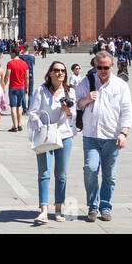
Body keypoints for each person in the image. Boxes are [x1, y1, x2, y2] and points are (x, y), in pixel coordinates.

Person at [73, 50, 132, 222]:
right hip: (91, 135)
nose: (103, 71)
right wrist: (86, 99)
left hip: (111, 136)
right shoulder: (86, 82)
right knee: (90, 170)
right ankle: (93, 206)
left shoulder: (120, 85)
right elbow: (76, 104)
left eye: (106, 67)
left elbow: (127, 112)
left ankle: (105, 207)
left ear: (112, 66)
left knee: (109, 175)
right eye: (99, 67)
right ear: (95, 66)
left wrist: (124, 133)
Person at [28, 61, 76, 224]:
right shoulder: (41, 90)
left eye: (62, 70)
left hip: (64, 135)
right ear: (50, 73)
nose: (60, 73)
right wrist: (42, 127)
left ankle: (59, 209)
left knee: (61, 174)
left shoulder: (69, 92)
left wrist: (66, 110)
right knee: (44, 173)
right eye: (56, 70)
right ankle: (43, 211)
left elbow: (73, 116)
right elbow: (32, 113)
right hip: (45, 135)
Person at [5, 46, 30, 132]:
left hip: (13, 87)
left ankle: (14, 126)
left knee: (13, 106)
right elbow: (27, 77)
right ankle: (19, 124)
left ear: (13, 53)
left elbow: (7, 75)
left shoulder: (10, 63)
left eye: (10, 52)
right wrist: (27, 87)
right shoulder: (24, 64)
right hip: (21, 87)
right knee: (19, 106)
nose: (9, 54)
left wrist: (3, 84)